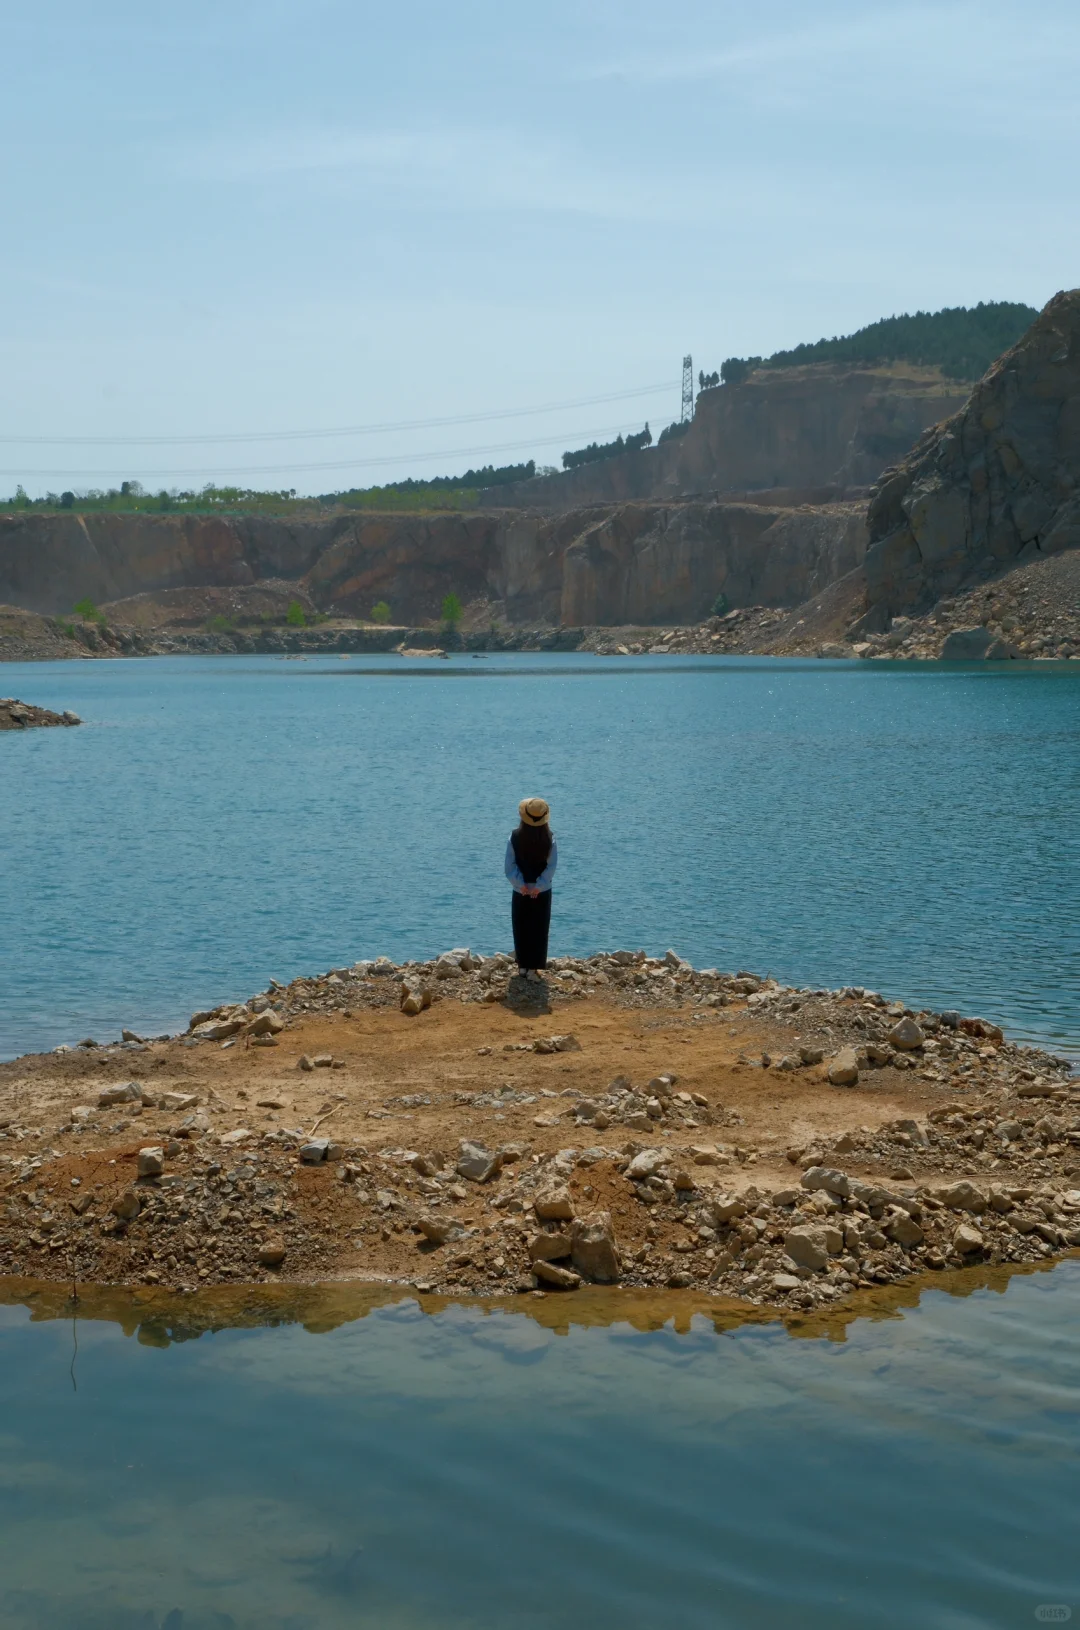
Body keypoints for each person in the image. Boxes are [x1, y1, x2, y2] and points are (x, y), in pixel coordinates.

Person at [504, 797, 557, 980]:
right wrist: (539, 886)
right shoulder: (550, 838)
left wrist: (521, 885)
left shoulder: (514, 837)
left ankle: (522, 967)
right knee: (539, 928)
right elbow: (551, 867)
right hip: (541, 892)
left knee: (521, 926)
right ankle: (534, 969)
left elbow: (509, 867)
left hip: (521, 891)